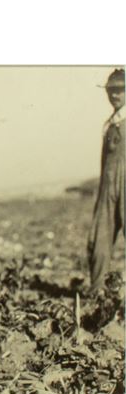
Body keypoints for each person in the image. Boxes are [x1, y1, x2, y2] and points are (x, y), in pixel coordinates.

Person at [87, 68, 125, 292]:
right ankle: (97, 291)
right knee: (98, 237)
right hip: (108, 183)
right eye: (111, 91)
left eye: (120, 90)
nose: (115, 95)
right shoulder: (108, 124)